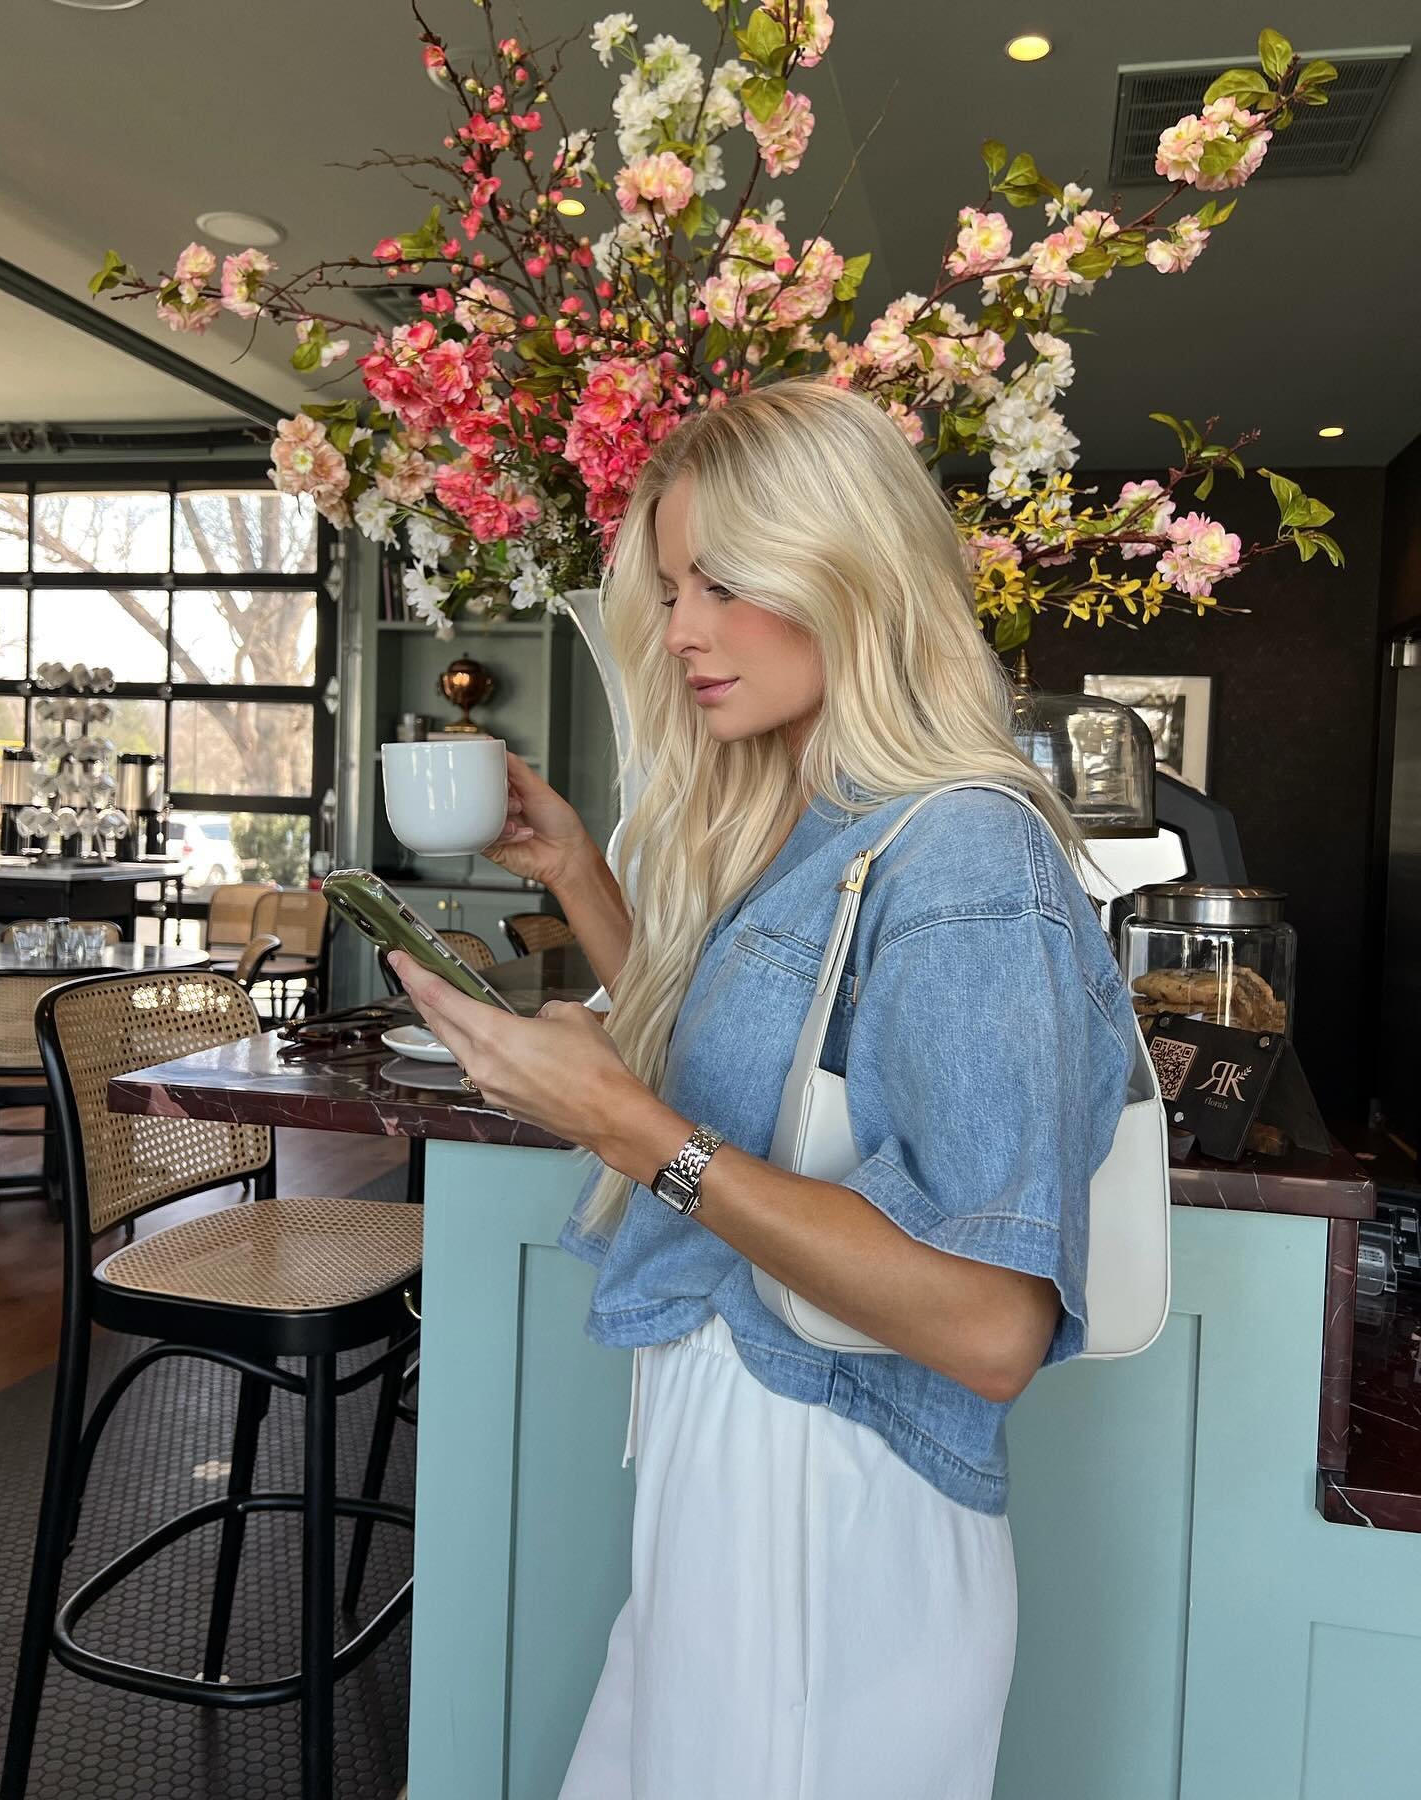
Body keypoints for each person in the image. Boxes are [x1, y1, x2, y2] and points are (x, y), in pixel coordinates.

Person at [389, 377, 1136, 1799]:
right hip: (739, 1460)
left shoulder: (966, 855)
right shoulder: (835, 829)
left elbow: (989, 1324)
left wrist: (628, 1128)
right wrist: (580, 879)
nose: (678, 633)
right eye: (673, 588)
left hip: (831, 1505)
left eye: (723, 581)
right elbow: (761, 1086)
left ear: (847, 567)